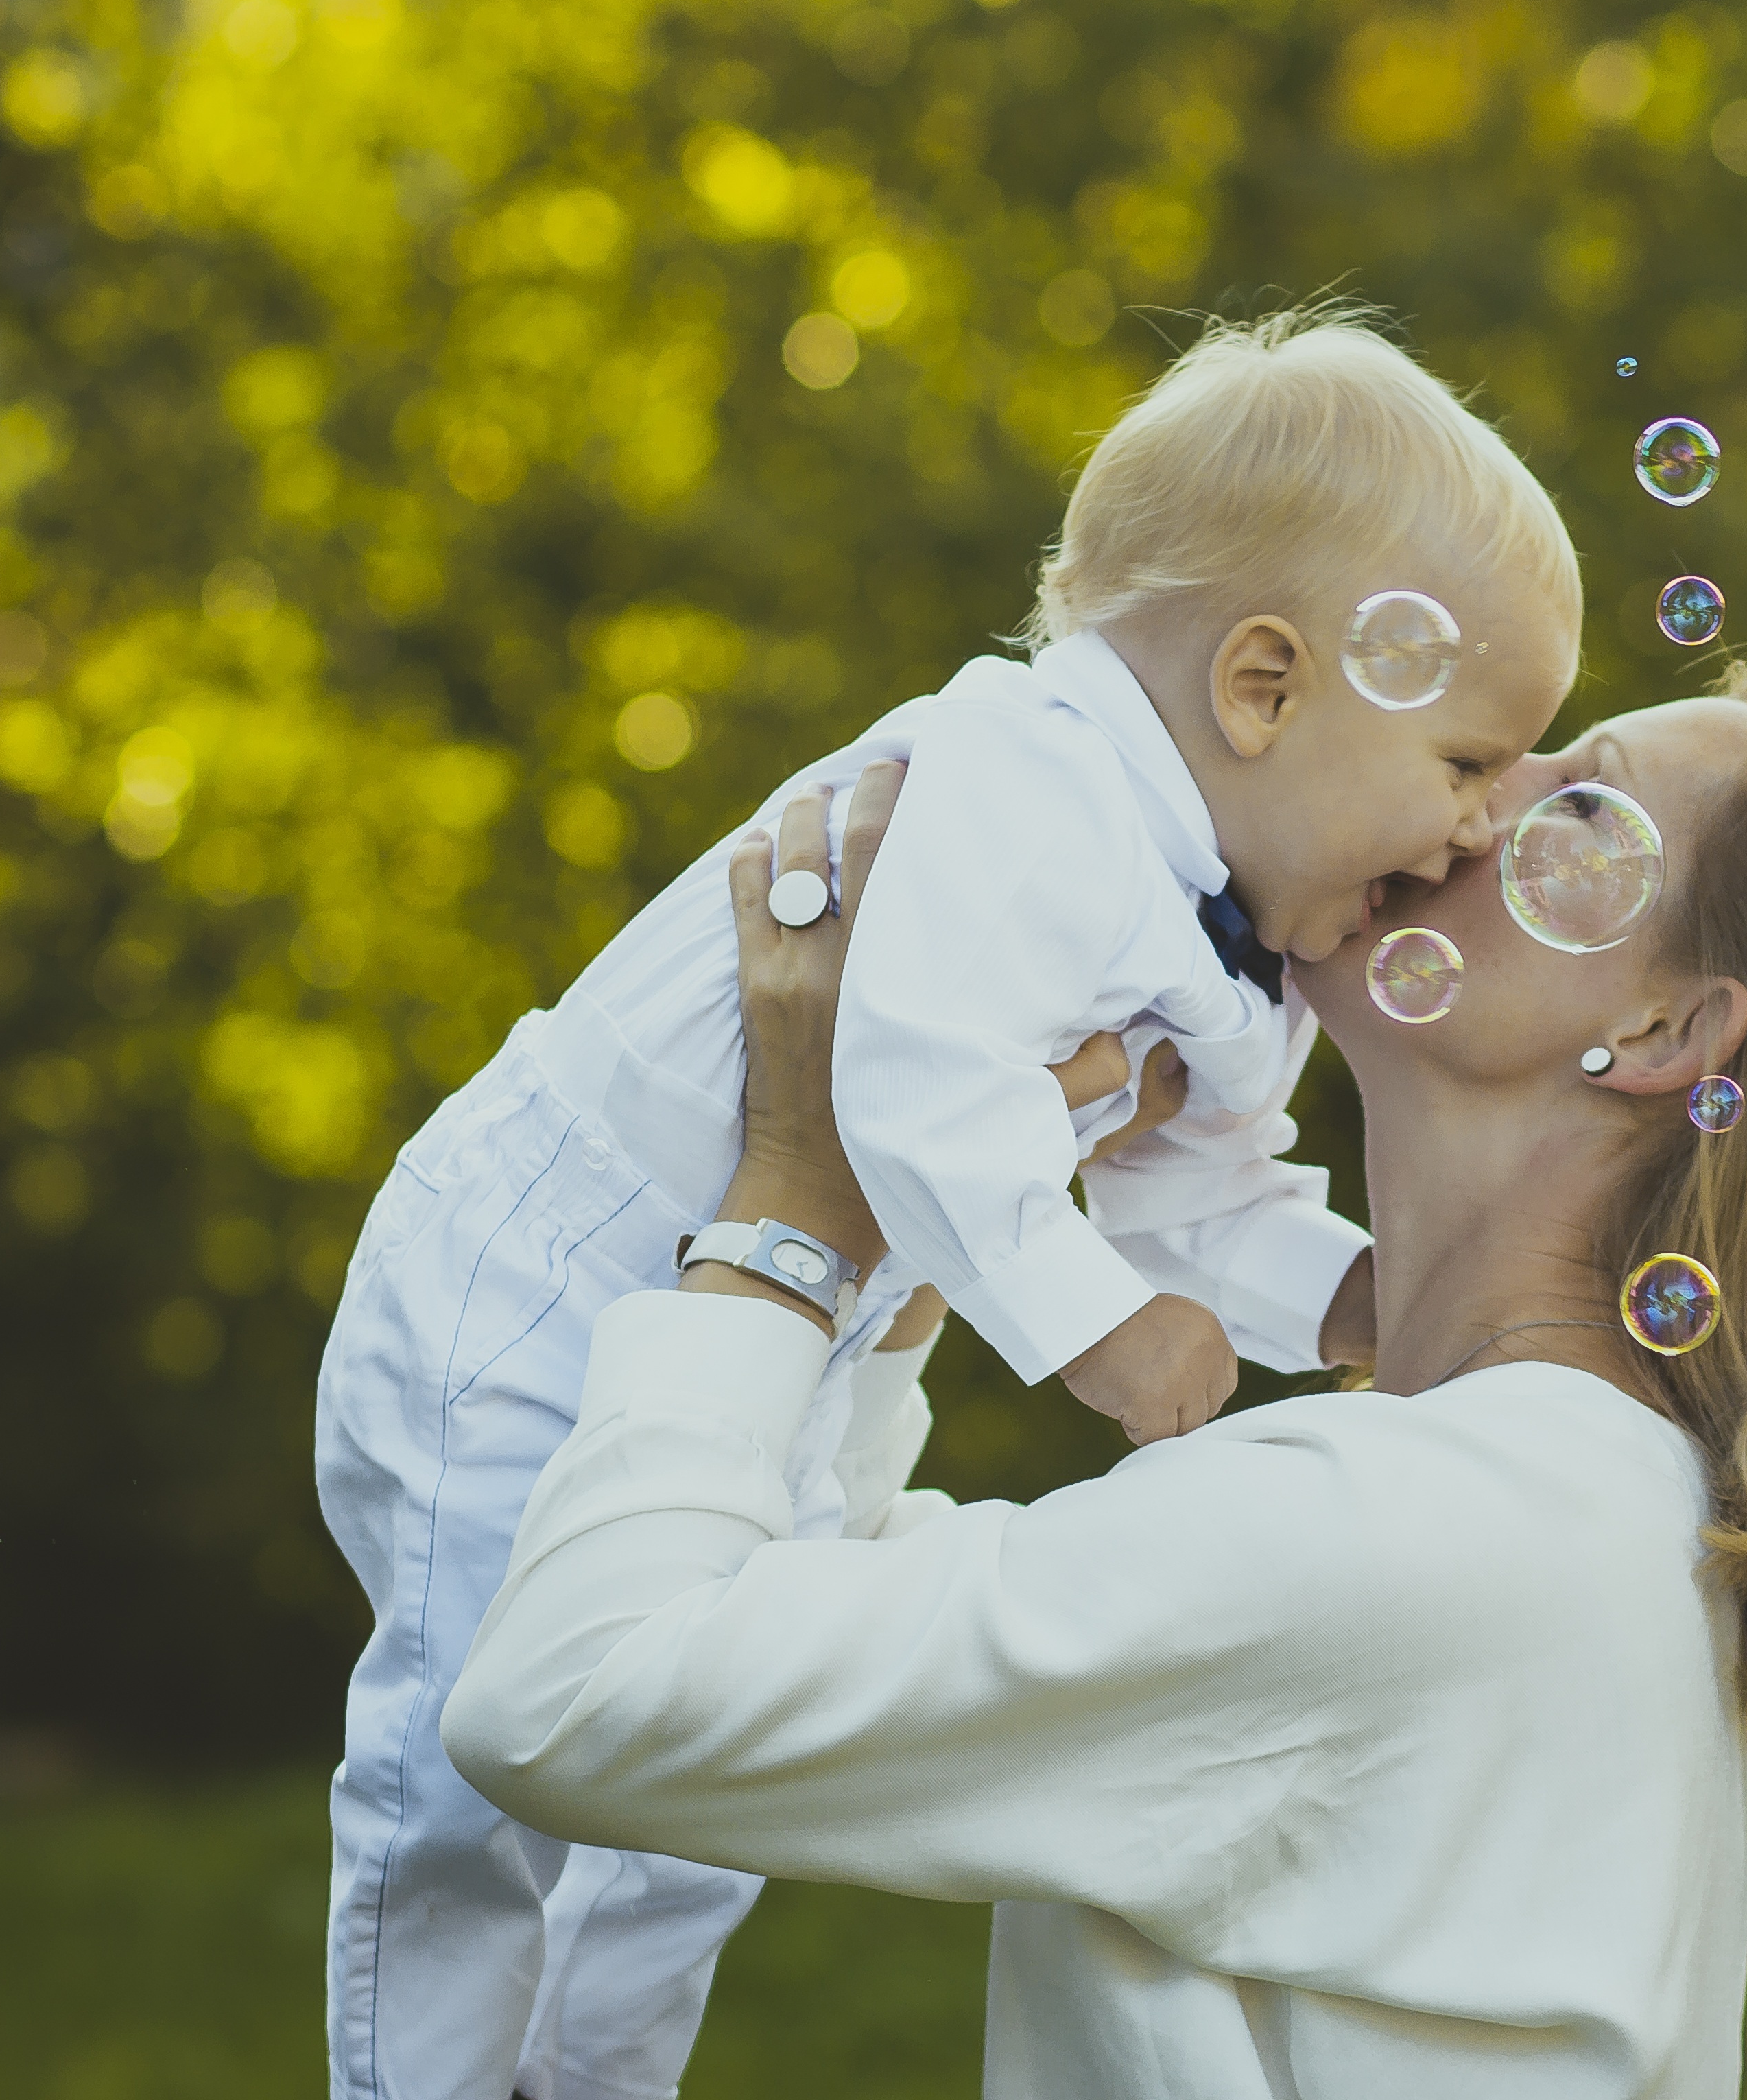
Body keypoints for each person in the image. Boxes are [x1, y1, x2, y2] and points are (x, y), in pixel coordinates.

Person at [444, 658, 1747, 2097]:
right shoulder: (1551, 1513)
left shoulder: (1432, 1537)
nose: (1473, 805)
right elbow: (802, 1617)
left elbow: (584, 1693)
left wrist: (800, 1202)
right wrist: (918, 1229)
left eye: (1575, 803)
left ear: (1661, 1039)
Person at [315, 310, 1584, 2100]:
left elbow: (1198, 1200)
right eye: (1467, 761)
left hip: (785, 1331)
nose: (1476, 830)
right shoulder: (1032, 783)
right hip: (539, 1268)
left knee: (696, 1786)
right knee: (468, 1761)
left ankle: (585, 2081)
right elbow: (909, 1074)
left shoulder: (1259, 951)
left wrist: (1366, 1303)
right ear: (1266, 688)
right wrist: (1097, 1328)